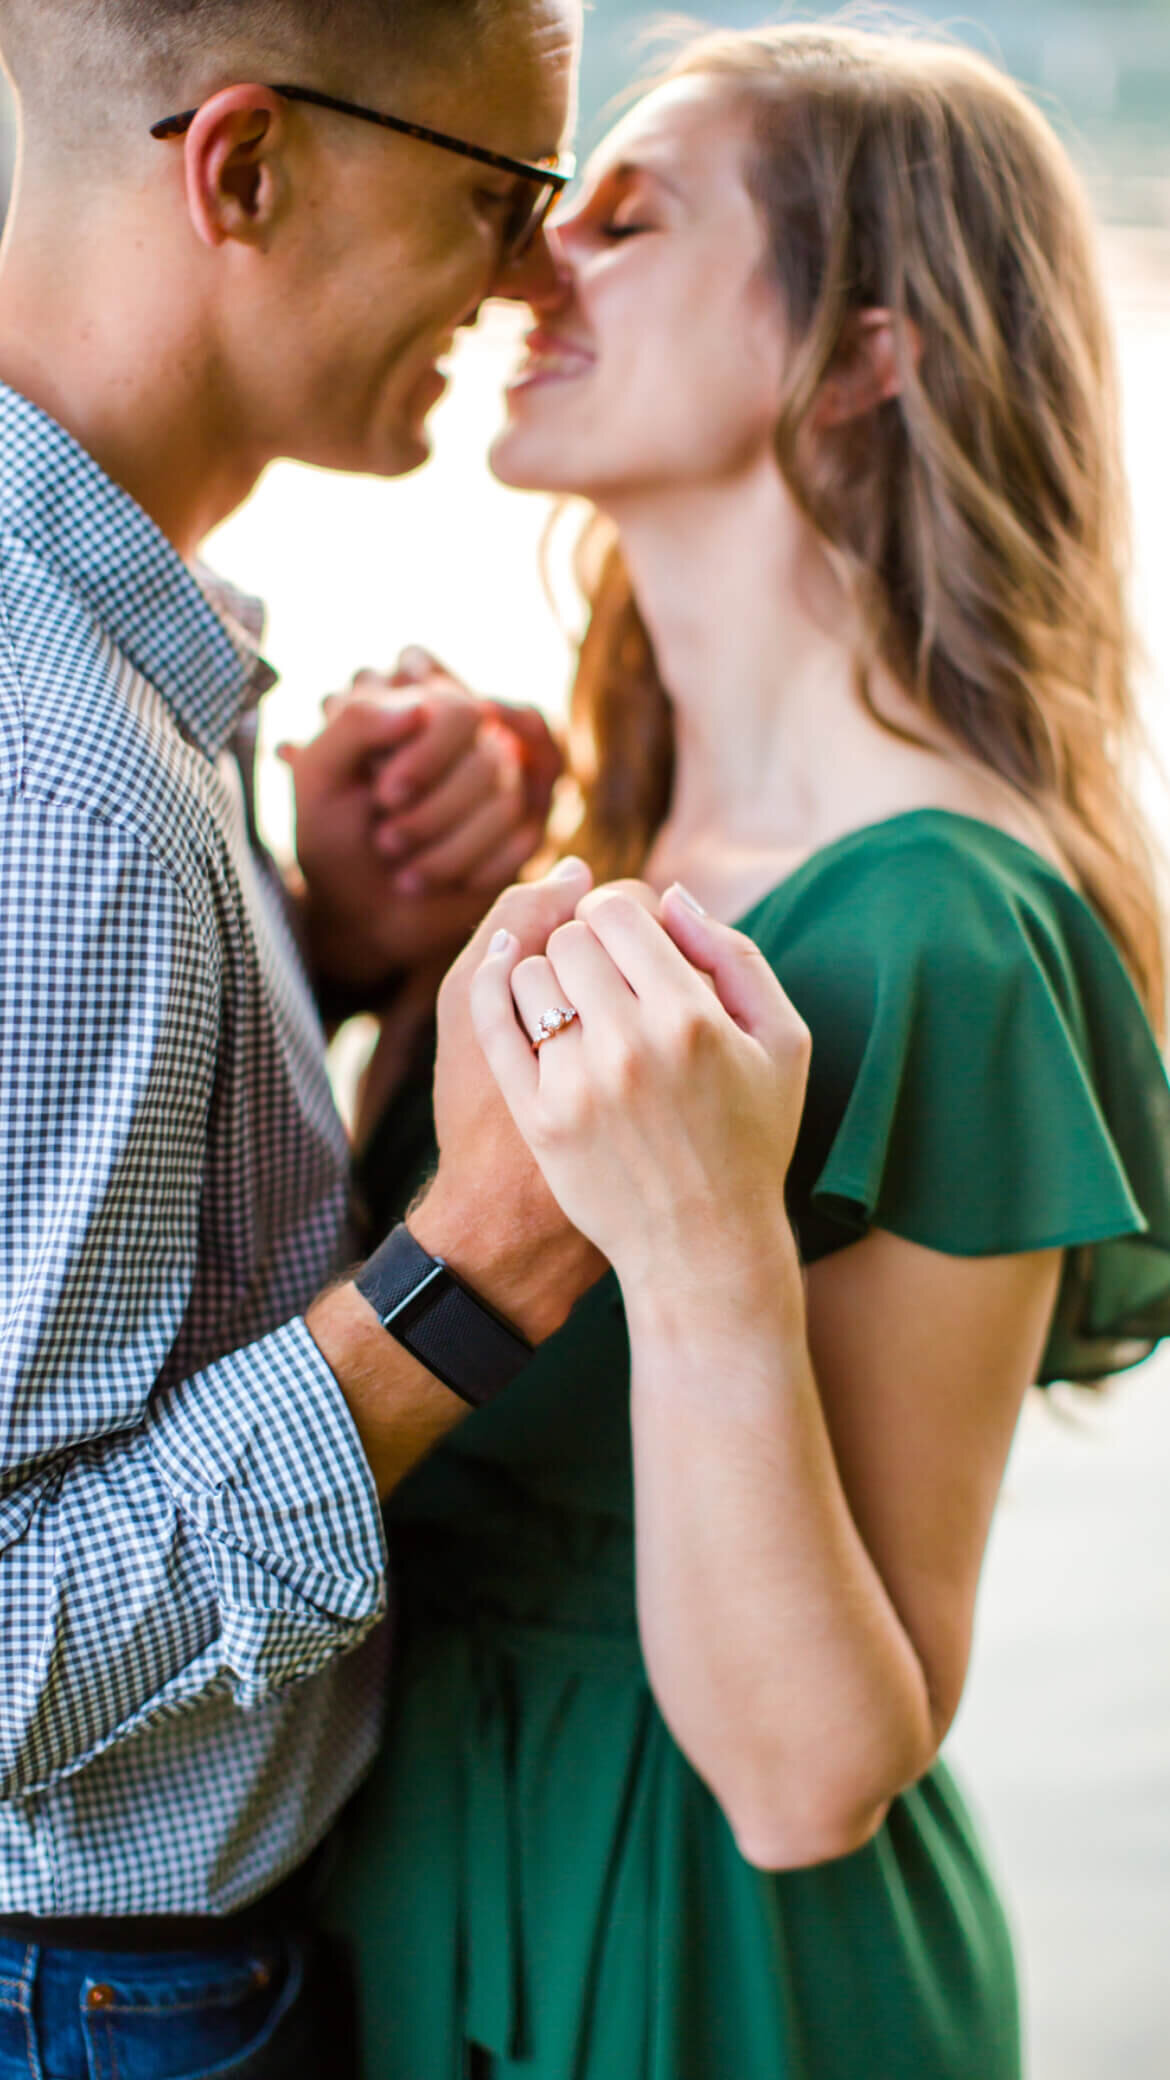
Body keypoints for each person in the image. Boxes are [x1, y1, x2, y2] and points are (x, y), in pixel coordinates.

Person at [327, 21, 1170, 2080]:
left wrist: (710, 1254)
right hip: (411, 1897)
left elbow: (815, 1773)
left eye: (630, 216)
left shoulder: (941, 933)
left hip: (714, 1975)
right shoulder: (593, 846)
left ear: (870, 345)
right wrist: (382, 949)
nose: (535, 261)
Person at [0, 0, 700, 2071]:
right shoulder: (59, 784)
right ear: (242, 169)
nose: (538, 277)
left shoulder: (88, 677)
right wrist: (470, 1269)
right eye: (500, 198)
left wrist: (322, 945)